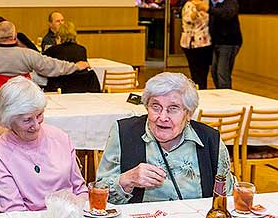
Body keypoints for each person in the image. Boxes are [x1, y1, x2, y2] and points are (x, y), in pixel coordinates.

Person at [97, 72, 233, 204]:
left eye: (173, 108)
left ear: (188, 114)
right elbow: (98, 193)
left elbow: (228, 197)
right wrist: (127, 179)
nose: (162, 117)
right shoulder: (124, 132)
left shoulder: (210, 140)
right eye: (155, 107)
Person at [0, 76, 87, 212]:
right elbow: (13, 210)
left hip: (71, 217)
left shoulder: (61, 138)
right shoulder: (1, 152)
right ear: (9, 120)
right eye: (27, 120)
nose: (36, 126)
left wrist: (77, 207)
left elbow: (81, 190)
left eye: (39, 115)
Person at [0, 21, 89, 95]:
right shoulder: (28, 54)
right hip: (22, 96)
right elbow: (51, 66)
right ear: (15, 36)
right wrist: (75, 66)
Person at [43, 22, 100, 93]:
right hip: (81, 88)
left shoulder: (52, 50)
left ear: (59, 37)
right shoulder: (82, 49)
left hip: (59, 89)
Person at [209, 0, 242, 89]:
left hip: (229, 42)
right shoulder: (214, 3)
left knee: (222, 72)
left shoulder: (231, 2)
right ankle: (221, 93)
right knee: (214, 72)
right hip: (217, 42)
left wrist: (208, 9)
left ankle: (226, 97)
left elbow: (226, 14)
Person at [180, 0, 212, 89]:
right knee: (196, 71)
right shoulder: (189, 5)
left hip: (205, 43)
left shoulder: (205, 4)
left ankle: (203, 89)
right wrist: (197, 10)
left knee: (204, 70)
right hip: (193, 44)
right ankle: (198, 91)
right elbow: (189, 19)